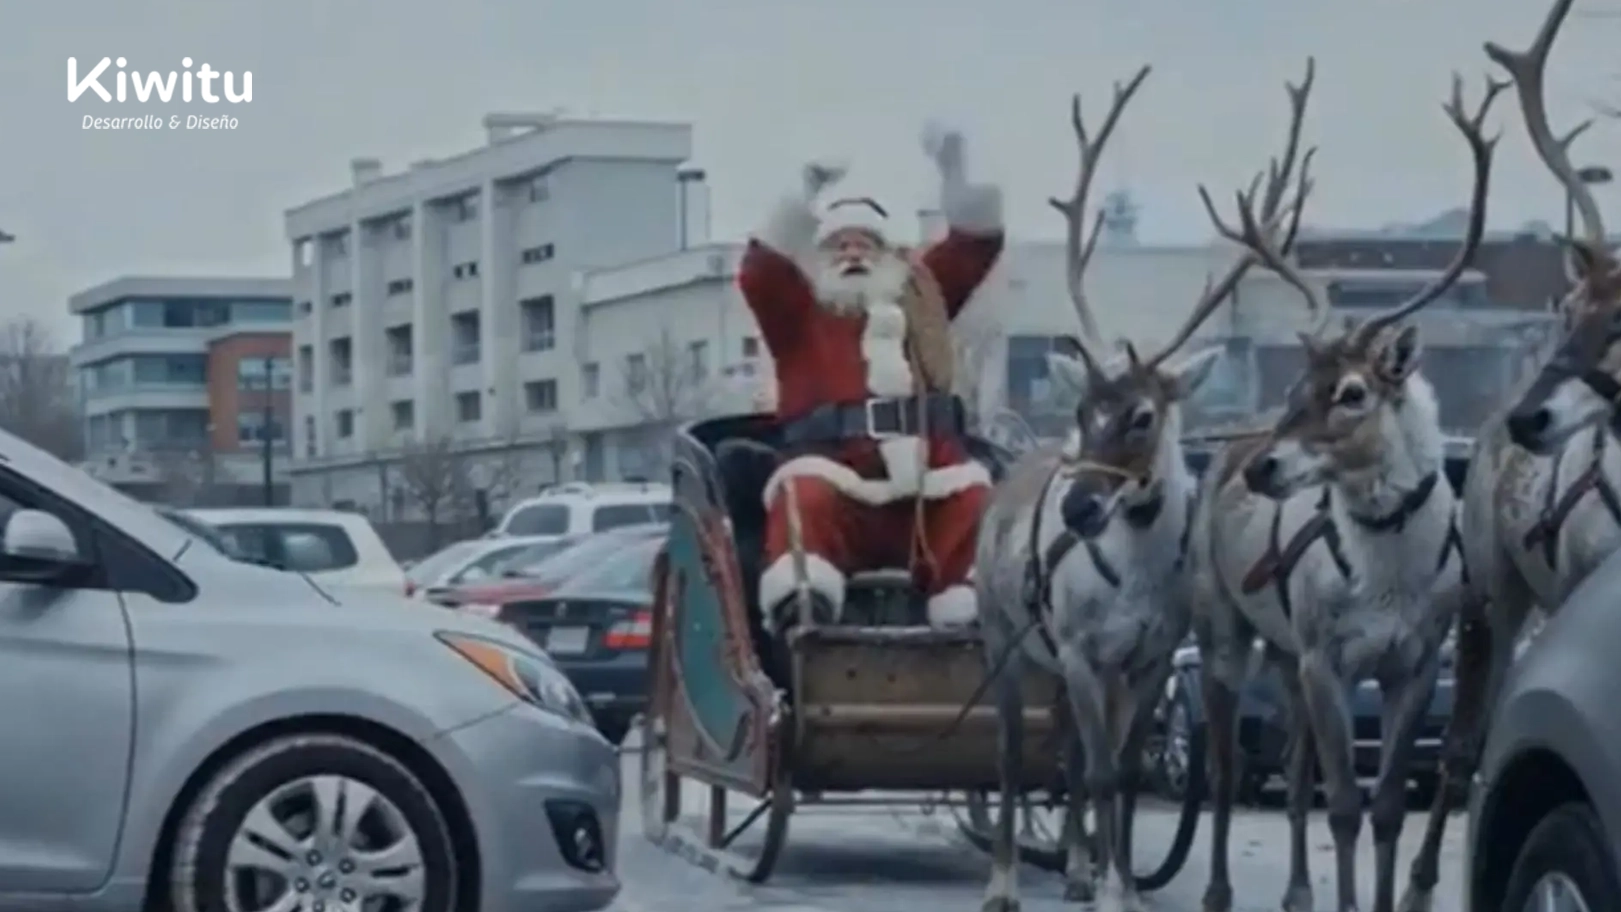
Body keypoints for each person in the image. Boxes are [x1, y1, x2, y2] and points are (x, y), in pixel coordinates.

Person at [737, 124, 1005, 630]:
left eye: (865, 244)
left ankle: (967, 611)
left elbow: (975, 246)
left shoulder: (923, 297)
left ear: (889, 254)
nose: (853, 253)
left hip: (926, 494)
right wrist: (805, 190)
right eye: (839, 245)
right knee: (803, 496)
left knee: (973, 501)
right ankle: (804, 603)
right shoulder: (799, 313)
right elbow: (760, 272)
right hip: (841, 493)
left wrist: (954, 171)